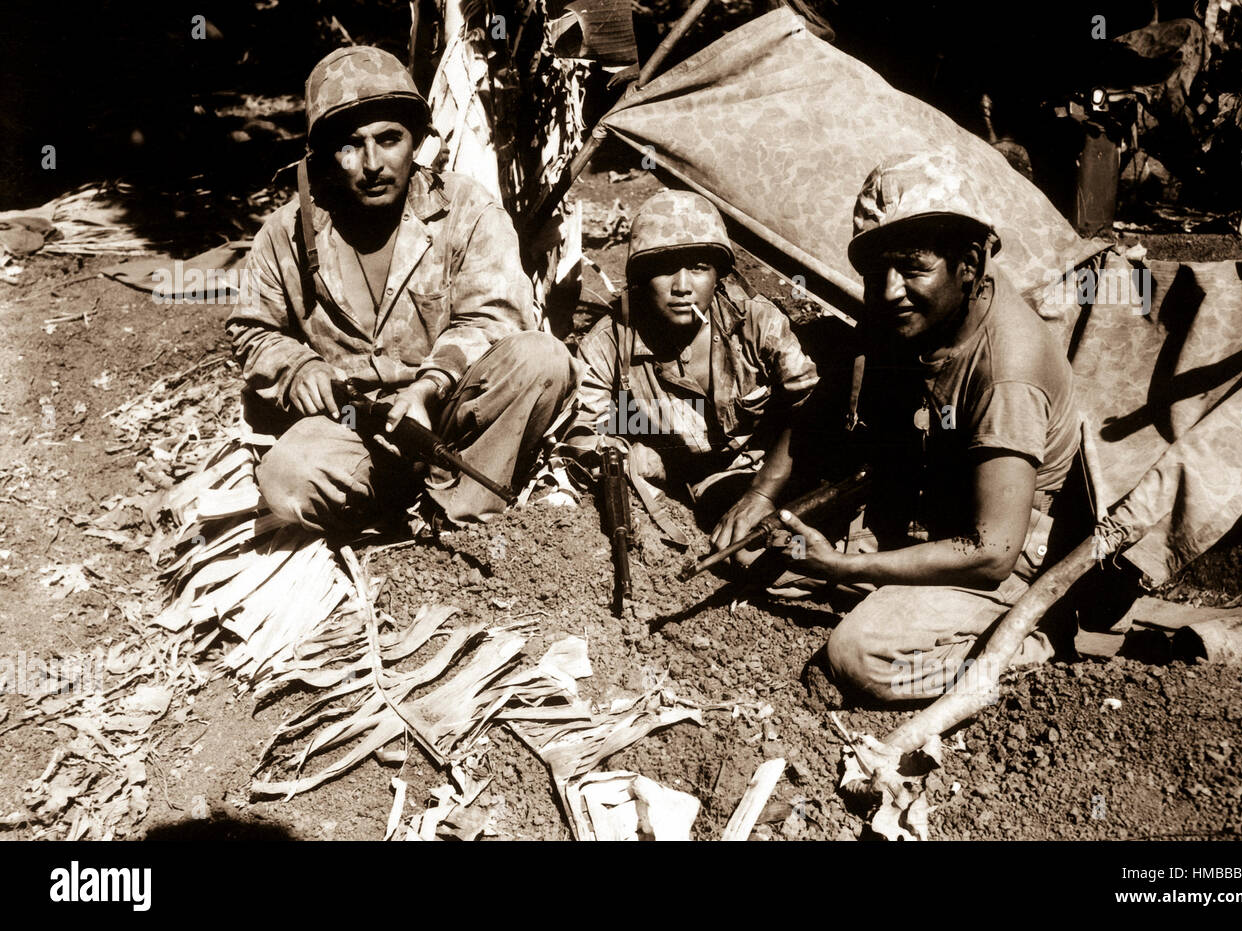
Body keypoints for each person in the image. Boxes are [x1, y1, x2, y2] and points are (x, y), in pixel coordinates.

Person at [767, 152, 1086, 701]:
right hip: (929, 509)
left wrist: (842, 565)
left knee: (860, 658)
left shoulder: (1009, 370)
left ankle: (1034, 638)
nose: (889, 291)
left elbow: (991, 552)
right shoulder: (925, 311)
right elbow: (829, 397)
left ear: (969, 264)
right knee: (765, 551)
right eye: (875, 272)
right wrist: (759, 491)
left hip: (1005, 557)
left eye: (913, 268)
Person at [227, 46, 577, 532]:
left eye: (389, 139)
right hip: (349, 421)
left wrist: (428, 387)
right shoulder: (286, 232)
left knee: (542, 358)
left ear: (414, 141)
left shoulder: (465, 209)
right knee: (289, 480)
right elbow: (251, 329)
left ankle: (462, 513)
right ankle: (382, 508)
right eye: (351, 145)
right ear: (327, 154)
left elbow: (495, 317)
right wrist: (296, 367)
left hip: (449, 414)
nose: (372, 163)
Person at [564, 190, 819, 545]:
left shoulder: (756, 323)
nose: (682, 287)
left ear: (719, 275)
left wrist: (765, 491)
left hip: (781, 469)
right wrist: (638, 458)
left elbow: (812, 405)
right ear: (640, 278)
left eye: (698, 268)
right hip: (704, 485)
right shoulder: (609, 344)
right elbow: (580, 433)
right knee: (755, 552)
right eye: (665, 269)